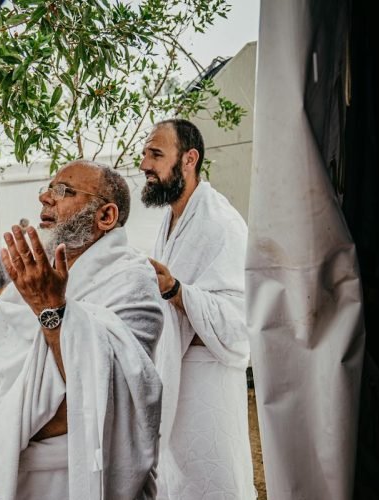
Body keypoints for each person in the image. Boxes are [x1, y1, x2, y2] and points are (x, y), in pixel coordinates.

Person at [0, 160, 164, 500]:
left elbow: (109, 392)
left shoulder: (131, 280)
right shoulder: (34, 276)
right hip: (21, 475)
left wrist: (51, 309)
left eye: (64, 191)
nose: (46, 197)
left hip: (79, 478)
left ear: (106, 216)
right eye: (47, 188)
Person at [139, 118, 254, 498]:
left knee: (212, 482)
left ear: (189, 159)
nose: (144, 165)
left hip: (208, 385)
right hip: (173, 377)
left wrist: (176, 290)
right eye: (144, 154)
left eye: (156, 154)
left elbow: (241, 325)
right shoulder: (172, 220)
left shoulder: (222, 224)